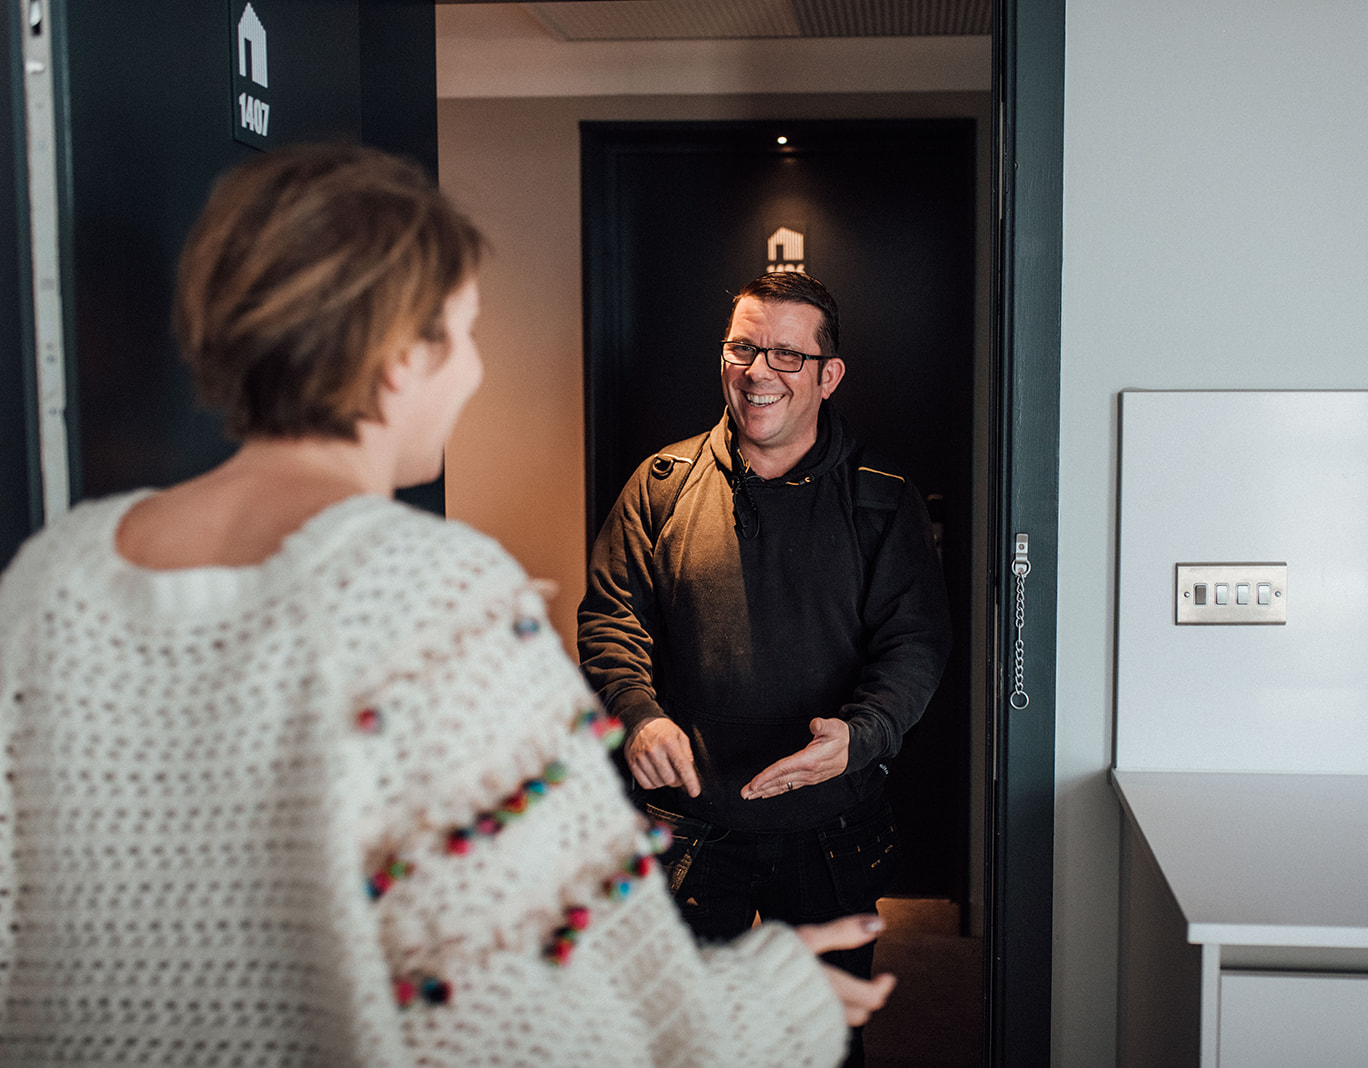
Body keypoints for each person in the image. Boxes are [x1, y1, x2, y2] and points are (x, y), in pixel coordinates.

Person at [0, 144, 892, 1066]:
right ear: (396, 357)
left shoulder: (50, 574)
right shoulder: (434, 597)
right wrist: (779, 993)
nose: (471, 371)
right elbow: (545, 1008)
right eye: (463, 334)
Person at [577, 271, 951, 1066]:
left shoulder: (883, 499)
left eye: (786, 354)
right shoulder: (660, 484)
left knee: (819, 1041)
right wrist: (639, 714)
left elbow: (914, 644)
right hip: (687, 828)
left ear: (827, 375)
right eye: (743, 347)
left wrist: (860, 735)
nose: (758, 371)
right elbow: (612, 619)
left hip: (831, 829)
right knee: (675, 1040)